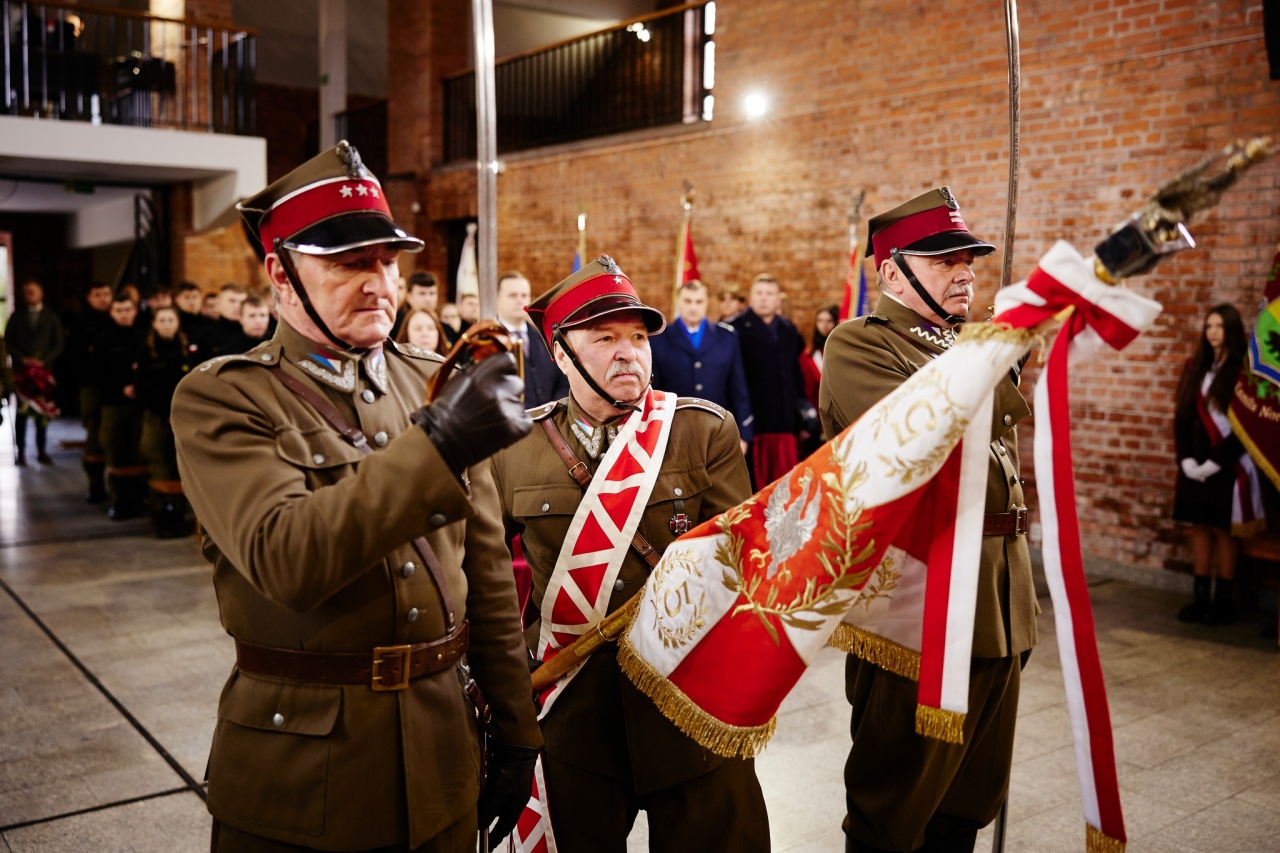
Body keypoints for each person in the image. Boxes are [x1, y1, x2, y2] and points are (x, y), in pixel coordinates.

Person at [170, 142, 541, 853]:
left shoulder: (433, 379)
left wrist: (518, 731)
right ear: (281, 273)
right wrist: (437, 444)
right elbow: (286, 557)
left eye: (387, 260)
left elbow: (488, 573)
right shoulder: (223, 396)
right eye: (348, 262)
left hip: (442, 751)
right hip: (305, 773)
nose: (378, 282)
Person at [489, 256, 769, 853]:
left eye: (638, 337)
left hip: (689, 707)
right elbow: (483, 585)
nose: (630, 352)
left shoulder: (702, 430)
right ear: (561, 355)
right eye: (605, 338)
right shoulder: (514, 449)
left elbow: (740, 565)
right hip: (574, 715)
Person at [820, 187, 1035, 853]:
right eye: (944, 259)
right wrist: (1002, 348)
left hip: (999, 599)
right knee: (896, 805)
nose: (965, 270)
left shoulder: (967, 345)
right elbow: (922, 442)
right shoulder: (859, 345)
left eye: (968, 257)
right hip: (919, 605)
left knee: (965, 802)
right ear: (892, 273)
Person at [1172, 304, 1265, 625]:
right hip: (1193, 462)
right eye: (1209, 325)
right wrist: (1185, 459)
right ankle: (1200, 597)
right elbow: (1182, 416)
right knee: (1198, 528)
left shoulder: (1243, 372)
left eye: (1219, 326)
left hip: (1227, 465)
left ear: (1231, 330)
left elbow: (1245, 426)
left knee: (1224, 532)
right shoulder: (1194, 366)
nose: (1212, 331)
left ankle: (1223, 602)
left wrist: (1215, 463)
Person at [650, 279, 753, 453]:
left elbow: (738, 388)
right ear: (678, 302)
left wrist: (743, 434)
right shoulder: (659, 340)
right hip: (674, 432)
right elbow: (654, 393)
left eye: (699, 301)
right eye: (688, 301)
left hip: (718, 428)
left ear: (707, 303)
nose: (693, 307)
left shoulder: (727, 338)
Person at [732, 274, 810, 488]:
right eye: (759, 293)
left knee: (787, 487)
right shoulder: (735, 329)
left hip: (785, 421)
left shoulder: (789, 329)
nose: (764, 299)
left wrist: (802, 415)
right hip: (754, 424)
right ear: (750, 298)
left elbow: (796, 375)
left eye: (769, 294)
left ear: (778, 300)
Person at [134, 306, 194, 537]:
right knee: (158, 462)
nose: (167, 324)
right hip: (157, 416)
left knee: (180, 464)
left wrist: (179, 411)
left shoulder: (187, 350)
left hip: (183, 415)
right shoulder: (146, 351)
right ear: (154, 324)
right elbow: (142, 387)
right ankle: (162, 516)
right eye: (163, 320)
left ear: (178, 323)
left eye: (171, 319)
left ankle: (179, 514)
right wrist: (164, 411)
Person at [97, 293, 148, 519]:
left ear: (135, 311)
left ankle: (137, 499)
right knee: (116, 451)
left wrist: (138, 387)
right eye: (120, 311)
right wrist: (121, 388)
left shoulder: (145, 337)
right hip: (114, 403)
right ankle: (118, 500)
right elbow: (97, 373)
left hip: (139, 403)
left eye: (128, 310)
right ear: (112, 313)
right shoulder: (103, 339)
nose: (124, 314)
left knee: (138, 451)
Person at [4, 280, 65, 466]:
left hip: (44, 373)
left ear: (41, 294)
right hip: (23, 371)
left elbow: (59, 343)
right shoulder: (17, 316)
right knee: (21, 413)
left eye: (33, 292)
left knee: (42, 412)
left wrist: (44, 361)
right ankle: (20, 451)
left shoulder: (51, 316)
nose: (29, 295)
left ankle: (41, 450)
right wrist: (21, 359)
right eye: (26, 292)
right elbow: (8, 341)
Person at [68, 281, 115, 499]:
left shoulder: (115, 318)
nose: (103, 298)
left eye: (106, 294)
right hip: (91, 387)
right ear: (89, 297)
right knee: (94, 437)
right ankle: (95, 485)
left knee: (114, 438)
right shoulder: (81, 322)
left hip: (113, 389)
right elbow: (75, 357)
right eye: (98, 294)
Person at [494, 271, 569, 408]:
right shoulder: (488, 341)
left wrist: (554, 410)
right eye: (512, 295)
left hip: (551, 420)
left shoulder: (546, 337)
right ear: (497, 300)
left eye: (524, 295)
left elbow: (564, 378)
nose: (520, 300)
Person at [800, 304, 838, 458]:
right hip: (815, 419)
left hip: (837, 416)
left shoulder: (840, 351)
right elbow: (804, 390)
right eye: (820, 320)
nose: (824, 325)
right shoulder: (808, 355)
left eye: (828, 321)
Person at [193, 284, 249, 362]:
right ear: (219, 303)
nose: (237, 306)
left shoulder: (254, 333)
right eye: (232, 301)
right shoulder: (205, 335)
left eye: (242, 302)